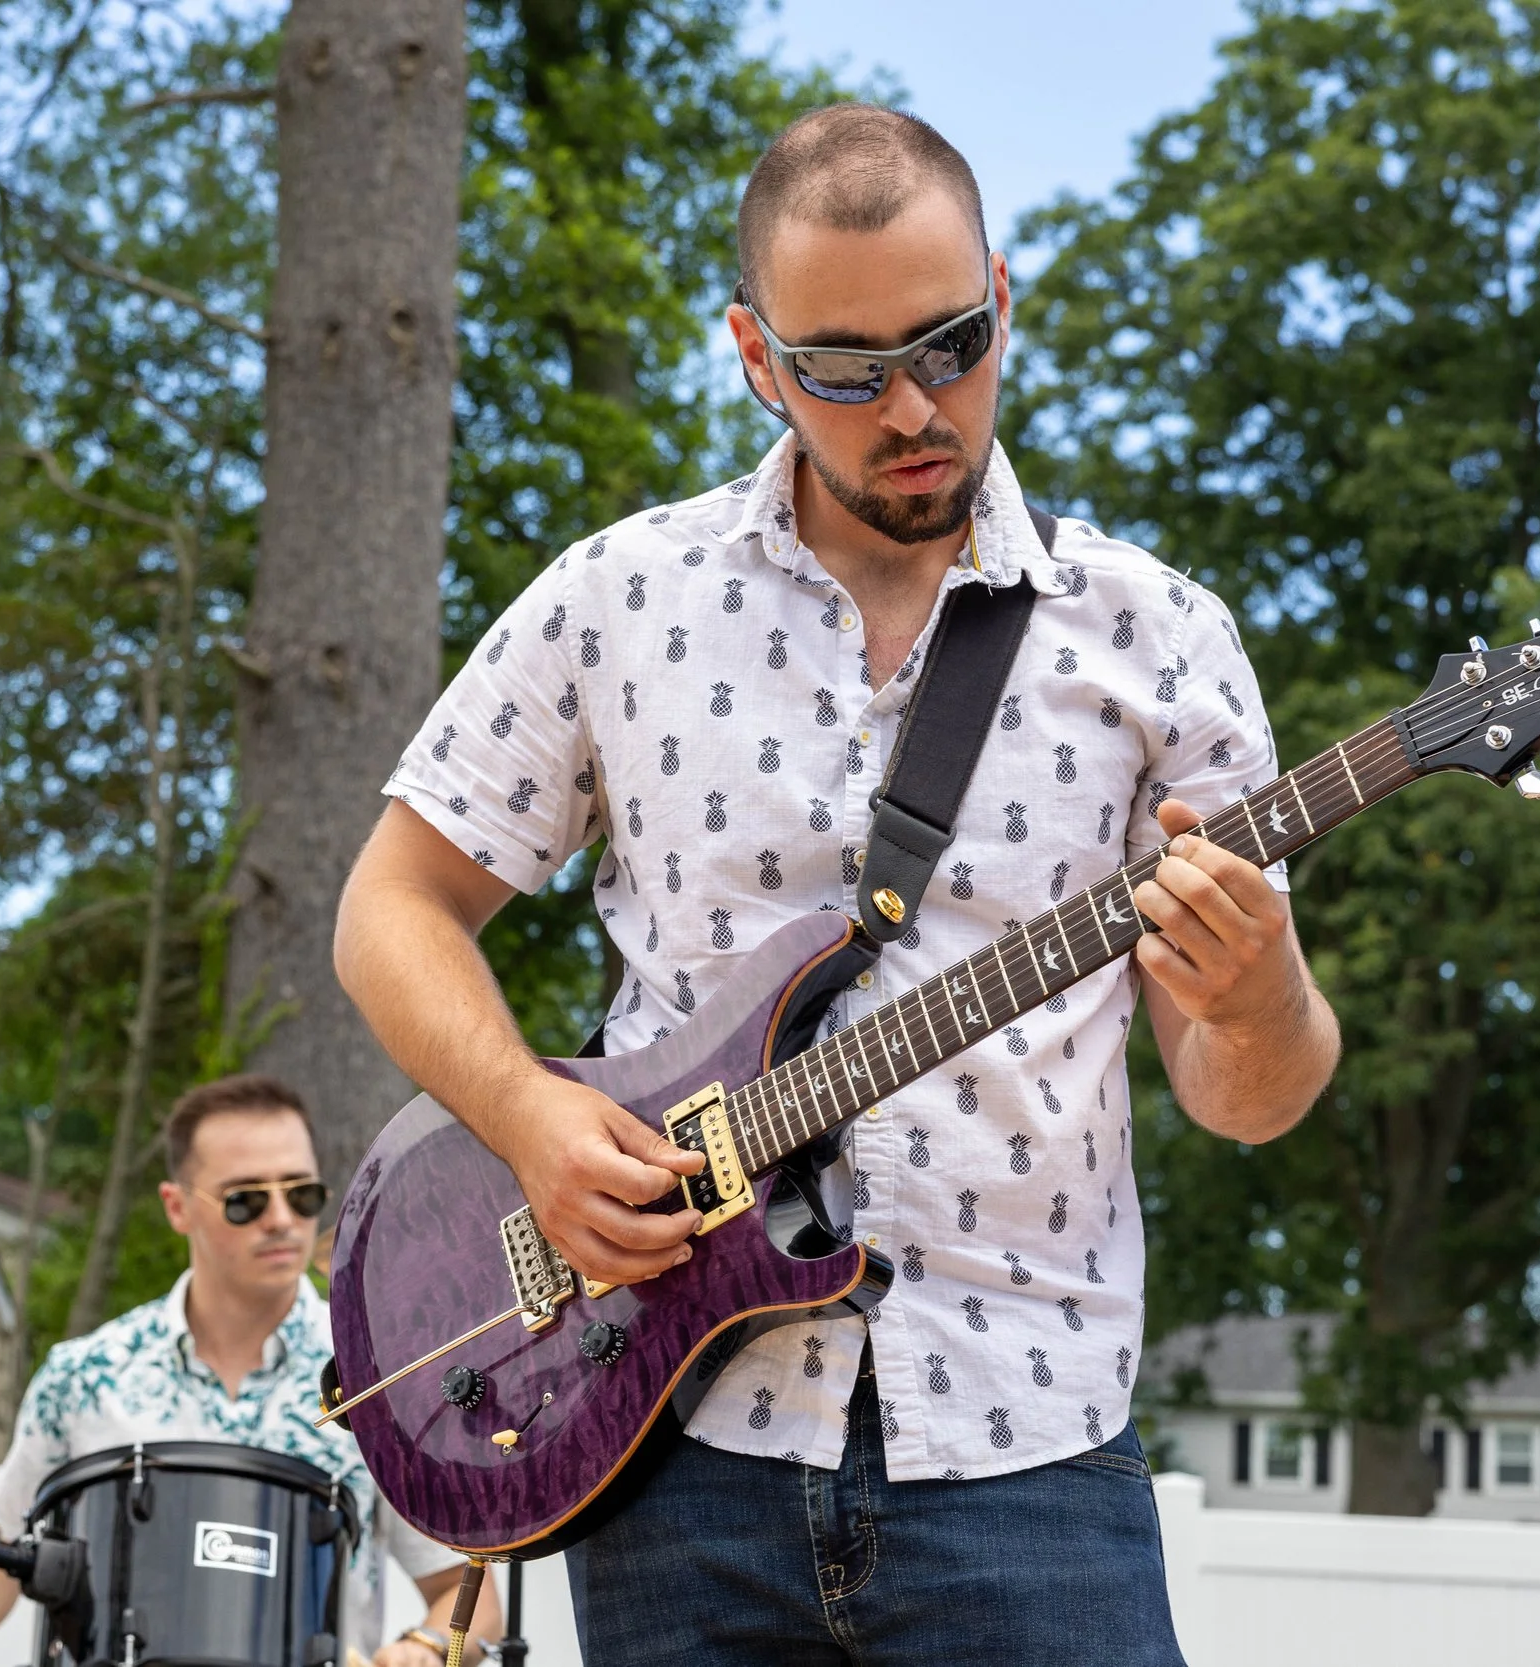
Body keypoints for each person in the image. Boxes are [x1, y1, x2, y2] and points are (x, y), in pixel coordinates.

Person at [333, 104, 1340, 1663]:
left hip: (1029, 1449)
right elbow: (391, 908)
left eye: (951, 342)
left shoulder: (1158, 637)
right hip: (673, 1442)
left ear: (1004, 296)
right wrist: (533, 1124)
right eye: (846, 370)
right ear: (753, 354)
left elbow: (1246, 1091)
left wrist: (1257, 991)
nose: (915, 405)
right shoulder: (618, 600)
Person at [0, 1073, 499, 1666]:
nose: (281, 1219)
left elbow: (466, 1593)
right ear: (177, 1207)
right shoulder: (83, 1377)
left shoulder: (379, 1381)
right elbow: (0, 1549)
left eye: (302, 1194)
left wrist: (425, 1648)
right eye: (246, 1200)